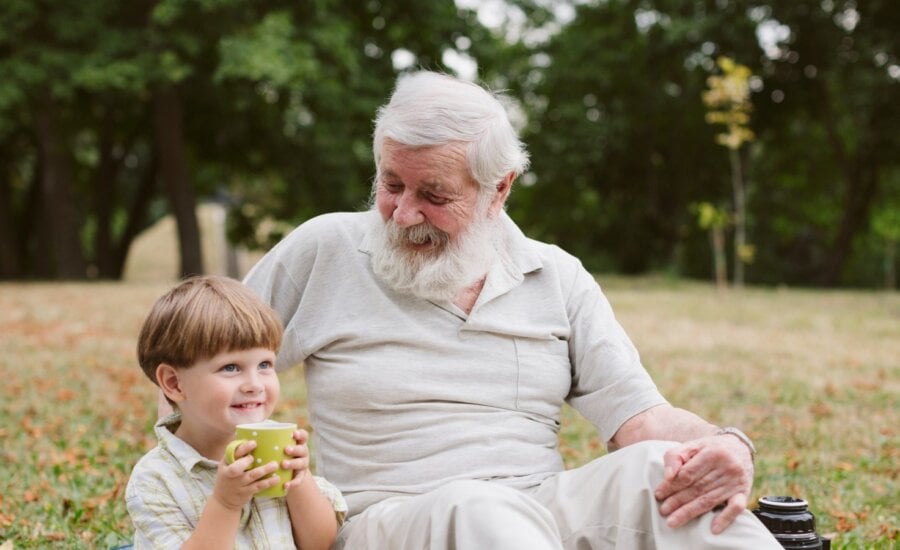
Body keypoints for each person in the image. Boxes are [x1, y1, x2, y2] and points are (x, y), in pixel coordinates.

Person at [243, 71, 780, 549]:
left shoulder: (555, 275)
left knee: (657, 469)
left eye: (433, 194)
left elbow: (641, 418)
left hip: (537, 512)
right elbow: (201, 352)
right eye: (391, 184)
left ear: (498, 190)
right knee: (476, 506)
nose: (404, 214)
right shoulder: (326, 249)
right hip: (387, 521)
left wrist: (727, 445)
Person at [126, 275, 347, 549]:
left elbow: (320, 543)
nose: (254, 384)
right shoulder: (156, 479)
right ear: (174, 383)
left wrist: (299, 484)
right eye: (231, 367)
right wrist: (225, 503)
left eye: (265, 364)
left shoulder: (275, 450)